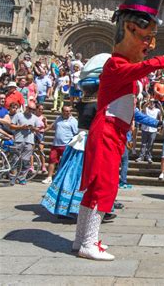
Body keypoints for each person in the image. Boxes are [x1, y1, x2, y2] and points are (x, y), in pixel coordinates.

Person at [73, 0, 164, 261]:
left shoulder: (121, 67)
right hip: (107, 131)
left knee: (100, 186)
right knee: (103, 187)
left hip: (114, 132)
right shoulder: (115, 64)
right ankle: (88, 242)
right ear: (128, 29)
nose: (149, 45)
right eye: (145, 37)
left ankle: (82, 240)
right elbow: (139, 69)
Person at [41, 54, 109, 218]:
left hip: (78, 139)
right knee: (85, 174)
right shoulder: (97, 105)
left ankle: (65, 205)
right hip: (88, 141)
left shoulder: (82, 102)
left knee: (70, 172)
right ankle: (81, 206)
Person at [42, 105, 79, 184]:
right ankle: (49, 177)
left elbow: (76, 133)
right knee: (52, 160)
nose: (68, 113)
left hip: (66, 144)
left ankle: (62, 178)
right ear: (62, 112)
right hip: (56, 144)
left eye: (69, 111)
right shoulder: (58, 118)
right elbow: (52, 126)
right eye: (66, 111)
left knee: (65, 162)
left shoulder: (73, 121)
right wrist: (44, 129)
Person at [9, 102, 42, 185]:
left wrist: (32, 128)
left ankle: (21, 178)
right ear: (26, 107)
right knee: (15, 160)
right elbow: (11, 126)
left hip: (29, 141)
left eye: (33, 109)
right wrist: (21, 127)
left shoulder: (35, 118)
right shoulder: (18, 115)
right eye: (30, 109)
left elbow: (38, 129)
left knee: (25, 161)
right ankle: (13, 178)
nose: (31, 111)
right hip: (18, 140)